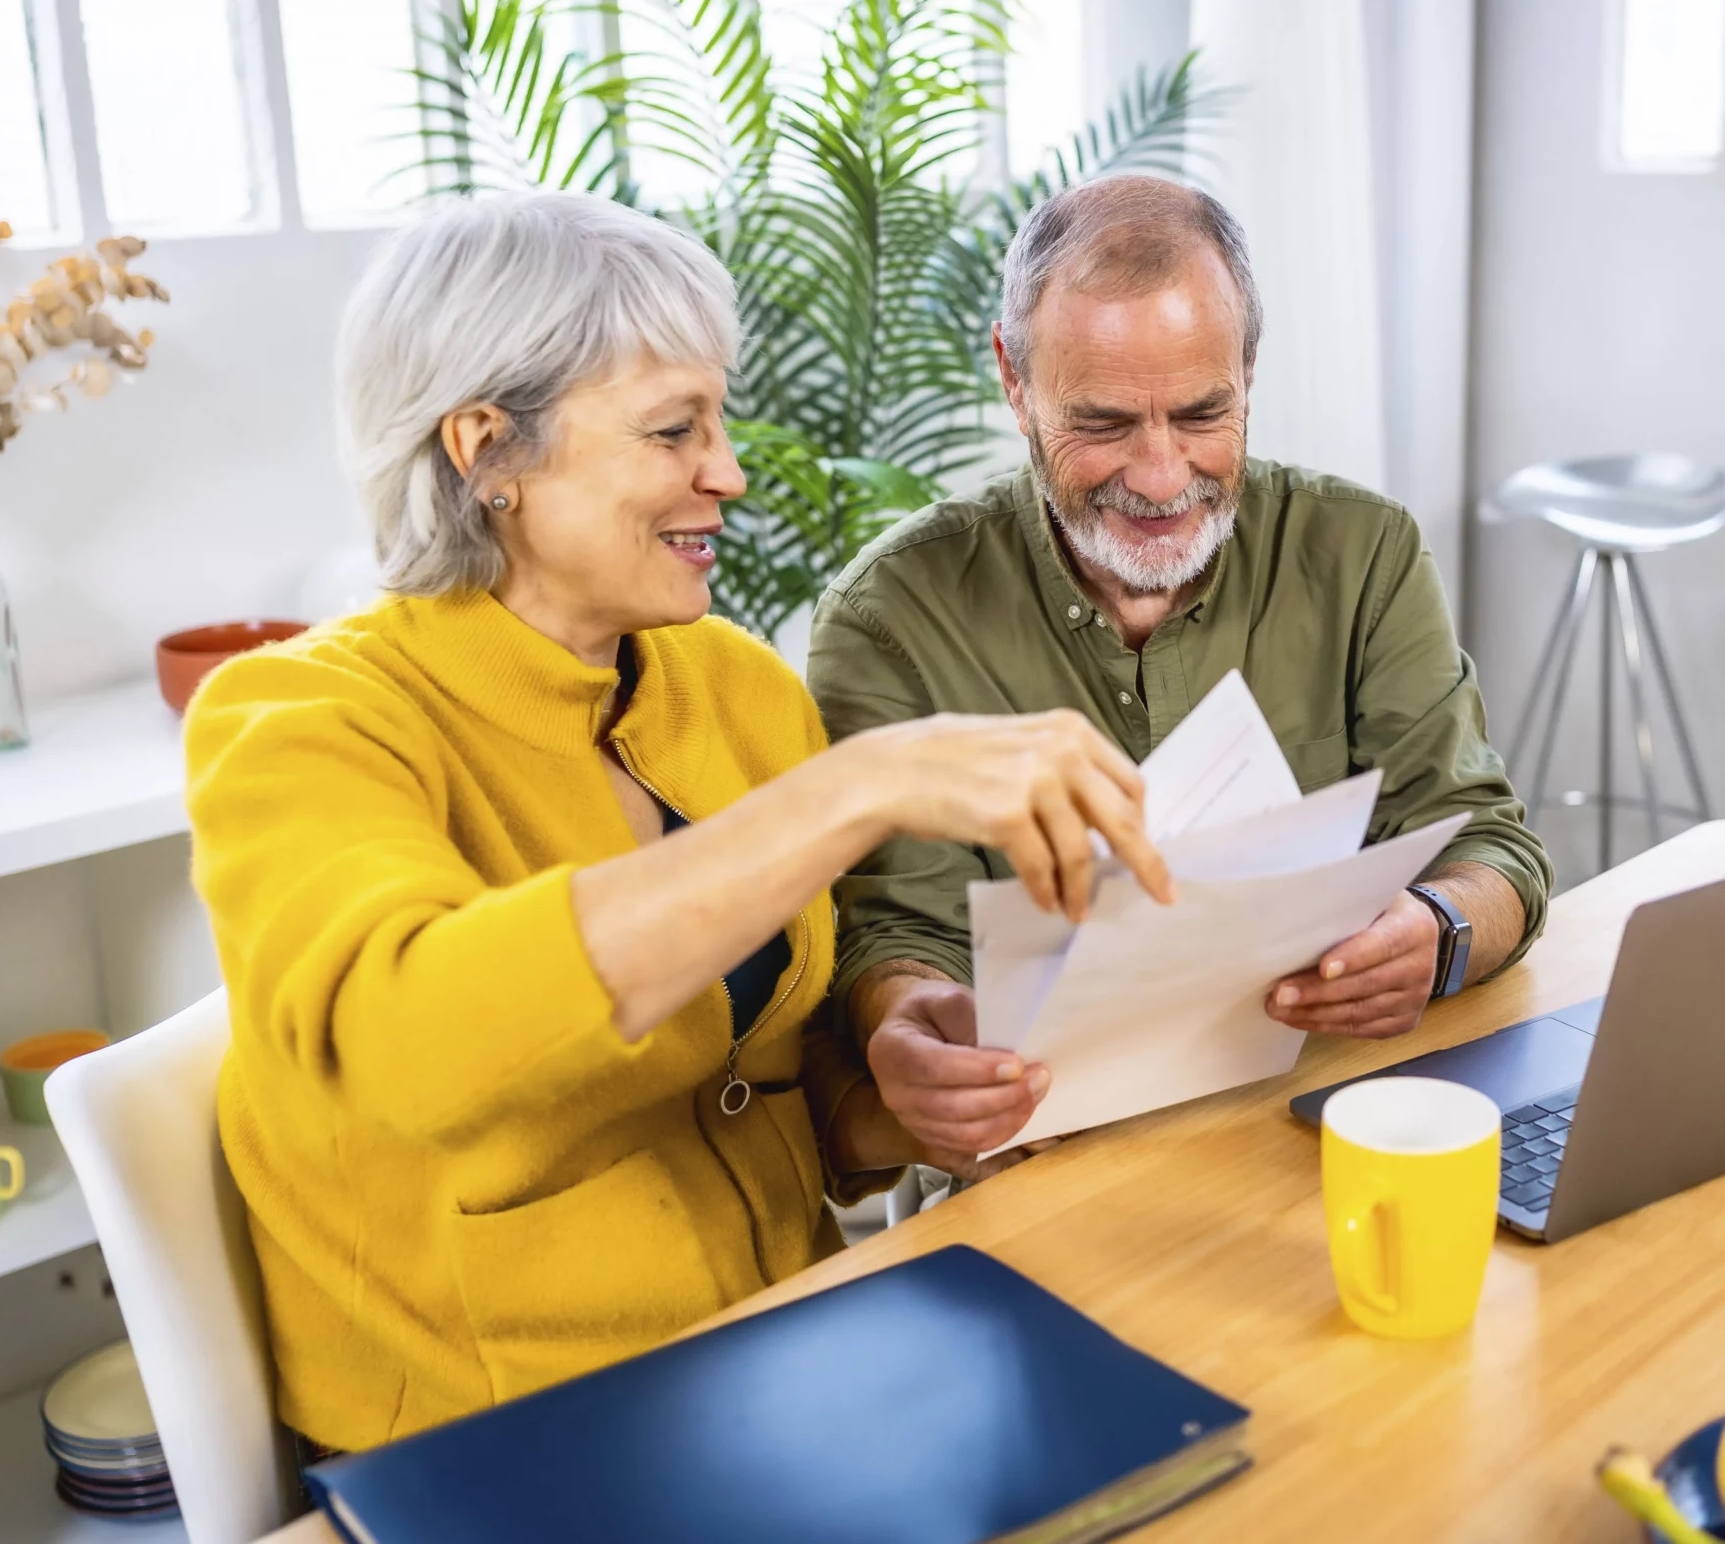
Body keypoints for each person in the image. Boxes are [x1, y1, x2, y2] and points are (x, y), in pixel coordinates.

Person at [182, 192, 1170, 1452]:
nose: (730, 472)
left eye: (719, 418)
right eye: (672, 430)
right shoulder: (297, 720)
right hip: (500, 1438)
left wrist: (899, 1100)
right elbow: (416, 1042)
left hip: (783, 1349)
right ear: (489, 451)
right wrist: (858, 786)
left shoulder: (730, 687)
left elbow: (760, 1088)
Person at [808, 174, 1552, 1166]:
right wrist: (906, 1024)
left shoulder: (1361, 551)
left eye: (1203, 414)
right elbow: (895, 933)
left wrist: (1439, 925)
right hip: (1054, 1164)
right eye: (1105, 425)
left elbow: (1489, 843)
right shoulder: (889, 618)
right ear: (1013, 378)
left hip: (1338, 1119)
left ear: (1249, 370)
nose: (1161, 478)